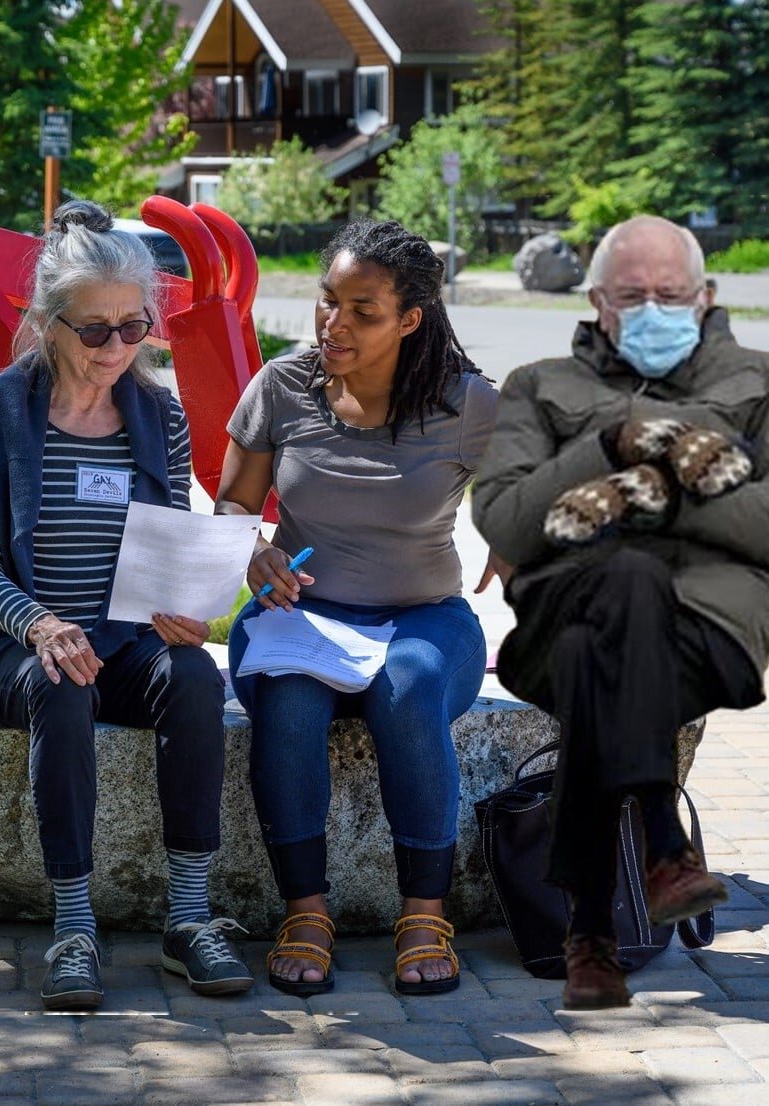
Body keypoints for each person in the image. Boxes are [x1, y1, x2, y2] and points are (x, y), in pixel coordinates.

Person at [0, 200, 252, 1011]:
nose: (115, 349)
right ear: (48, 321)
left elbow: (168, 534)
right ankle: (74, 925)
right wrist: (38, 623)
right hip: (18, 643)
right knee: (63, 684)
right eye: (94, 330)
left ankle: (187, 916)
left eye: (133, 328)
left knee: (197, 677)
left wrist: (179, 604)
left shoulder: (158, 415)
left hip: (123, 638)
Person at [472, 214, 767, 1010]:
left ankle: (590, 934)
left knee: (596, 647)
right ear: (597, 301)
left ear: (704, 295)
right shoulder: (537, 385)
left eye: (668, 293)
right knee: (617, 595)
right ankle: (661, 849)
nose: (652, 308)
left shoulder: (758, 381)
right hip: (555, 613)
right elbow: (502, 523)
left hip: (711, 632)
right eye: (630, 295)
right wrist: (606, 445)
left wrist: (644, 495)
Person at [214, 220, 498, 997]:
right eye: (326, 301)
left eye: (361, 310)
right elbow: (233, 508)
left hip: (423, 617)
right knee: (289, 703)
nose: (333, 323)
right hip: (299, 617)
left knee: (405, 685)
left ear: (409, 319)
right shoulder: (281, 386)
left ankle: (423, 913)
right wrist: (254, 554)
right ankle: (305, 911)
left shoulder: (465, 402)